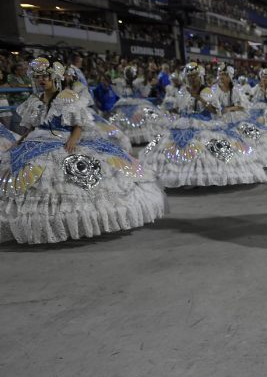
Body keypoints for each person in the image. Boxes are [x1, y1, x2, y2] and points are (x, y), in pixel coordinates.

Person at [0, 58, 165, 244]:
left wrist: (72, 139)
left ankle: (76, 219)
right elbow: (31, 127)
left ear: (54, 77)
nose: (41, 80)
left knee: (70, 175)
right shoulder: (34, 100)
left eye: (45, 76)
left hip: (61, 140)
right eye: (38, 77)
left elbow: (79, 123)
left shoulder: (66, 97)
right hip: (37, 139)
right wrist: (20, 141)